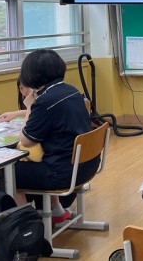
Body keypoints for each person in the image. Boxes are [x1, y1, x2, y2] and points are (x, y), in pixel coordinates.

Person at [15, 49, 99, 223]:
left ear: (33, 75)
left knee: (9, 174)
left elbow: (25, 140)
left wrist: (30, 107)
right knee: (41, 157)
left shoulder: (45, 101)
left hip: (63, 173)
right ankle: (57, 210)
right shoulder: (71, 90)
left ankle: (28, 227)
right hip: (87, 165)